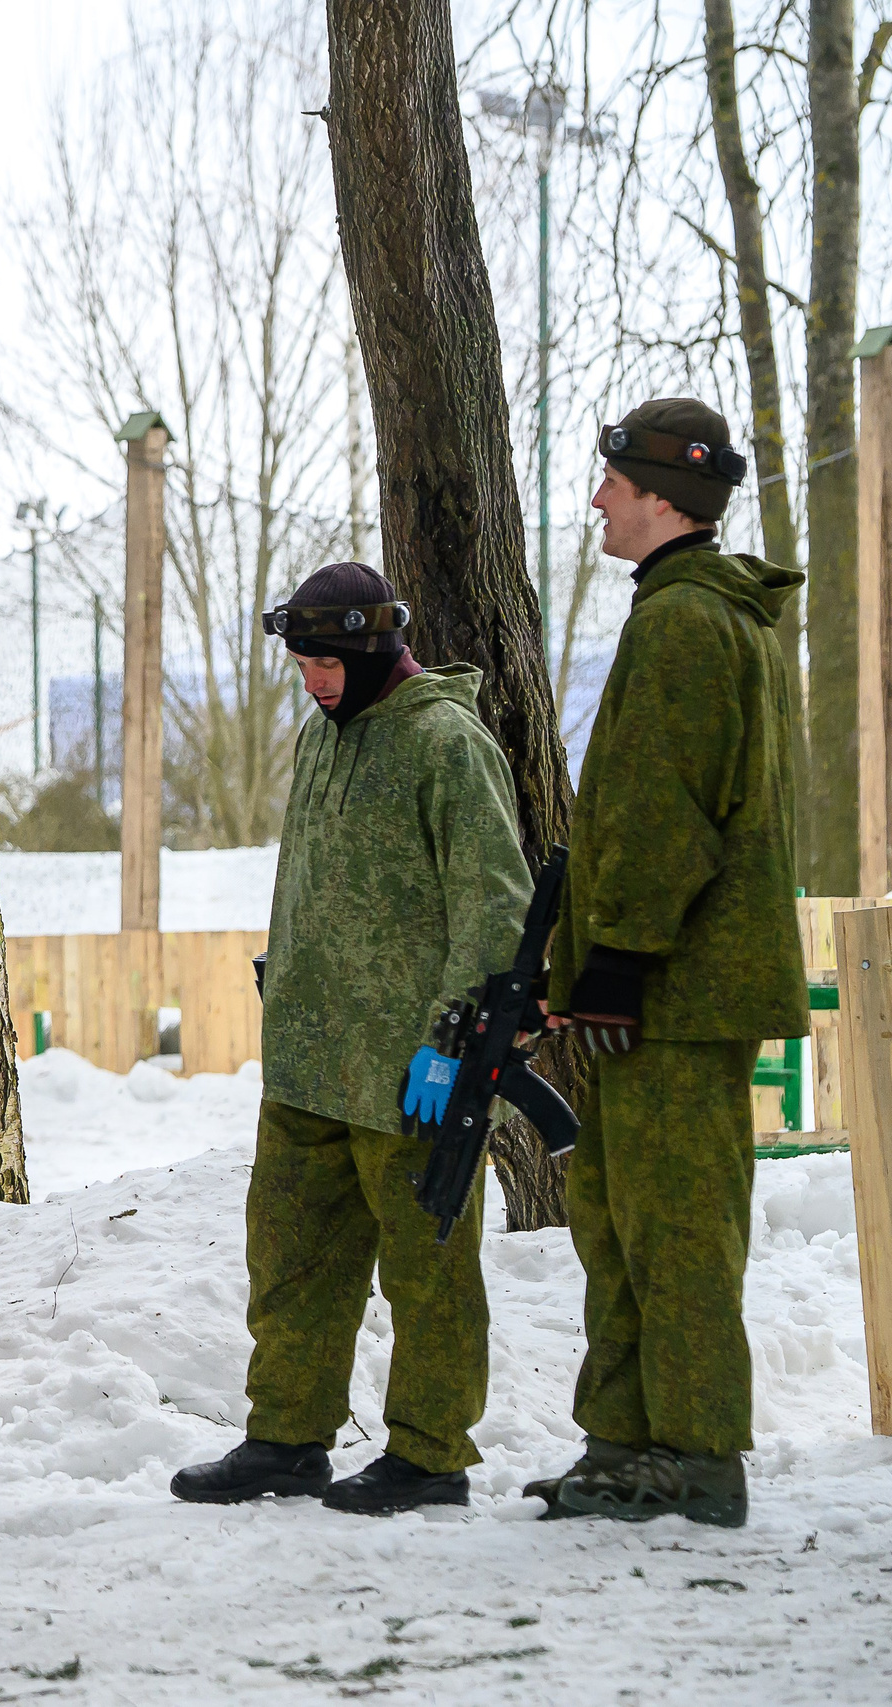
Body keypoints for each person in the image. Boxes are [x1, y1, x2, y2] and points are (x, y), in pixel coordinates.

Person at [167, 562, 529, 1515]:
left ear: (375, 651)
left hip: (413, 1070)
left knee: (429, 1270)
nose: (314, 679)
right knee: (289, 1260)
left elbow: (497, 903)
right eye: (301, 662)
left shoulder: (447, 742)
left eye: (328, 662)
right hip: (308, 1063)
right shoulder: (317, 737)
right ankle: (286, 1438)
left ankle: (430, 1452)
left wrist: (454, 1035)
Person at [528, 399, 804, 1528]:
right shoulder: (687, 613)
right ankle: (626, 1441)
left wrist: (619, 960)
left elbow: (661, 815)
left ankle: (692, 1453)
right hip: (666, 987)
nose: (597, 501)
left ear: (659, 496)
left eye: (611, 483)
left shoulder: (688, 623)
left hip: (676, 992)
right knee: (618, 1211)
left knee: (677, 1225)